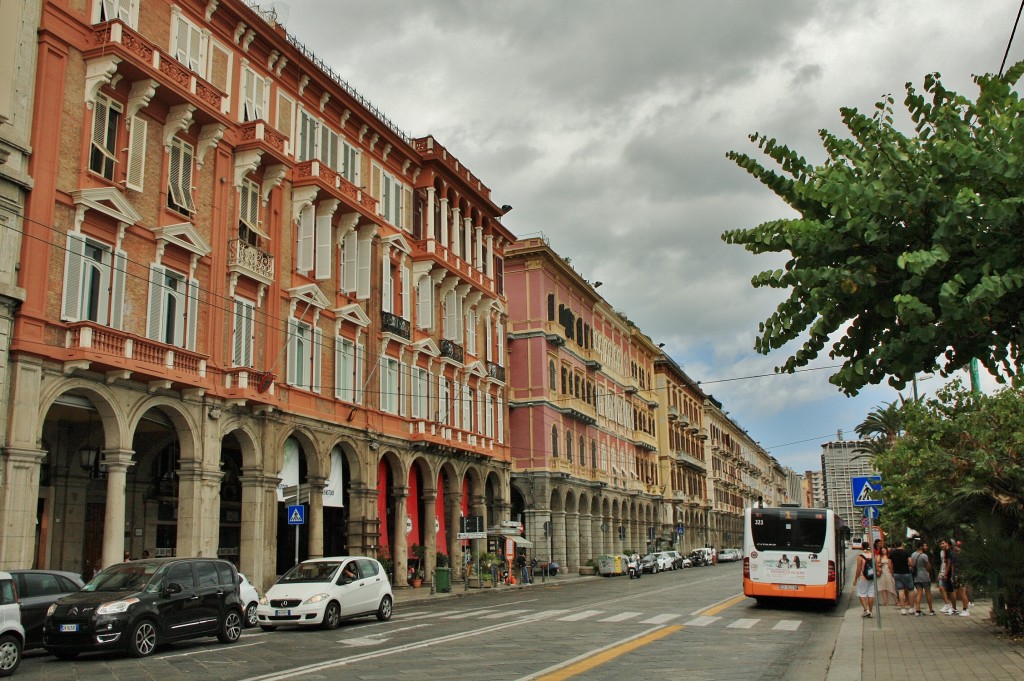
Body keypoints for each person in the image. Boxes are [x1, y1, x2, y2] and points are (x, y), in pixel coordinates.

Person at [888, 540, 915, 615]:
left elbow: (889, 564)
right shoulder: (906, 552)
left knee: (900, 590)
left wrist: (892, 572)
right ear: (901, 544)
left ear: (895, 545)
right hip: (906, 572)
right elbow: (910, 563)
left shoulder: (892, 553)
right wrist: (911, 568)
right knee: (910, 589)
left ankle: (903, 609)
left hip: (897, 573)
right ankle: (911, 608)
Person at [910, 541, 935, 615]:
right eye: (924, 546)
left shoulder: (913, 554)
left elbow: (912, 565)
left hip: (916, 576)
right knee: (928, 592)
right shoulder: (924, 556)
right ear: (921, 547)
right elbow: (928, 567)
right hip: (924, 575)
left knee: (919, 593)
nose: (926, 547)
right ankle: (931, 610)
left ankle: (917, 609)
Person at [854, 541, 875, 617]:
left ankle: (866, 610)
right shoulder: (873, 555)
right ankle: (871, 611)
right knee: (871, 594)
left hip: (863, 577)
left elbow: (858, 569)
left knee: (862, 594)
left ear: (862, 547)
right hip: (872, 577)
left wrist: (855, 579)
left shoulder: (860, 556)